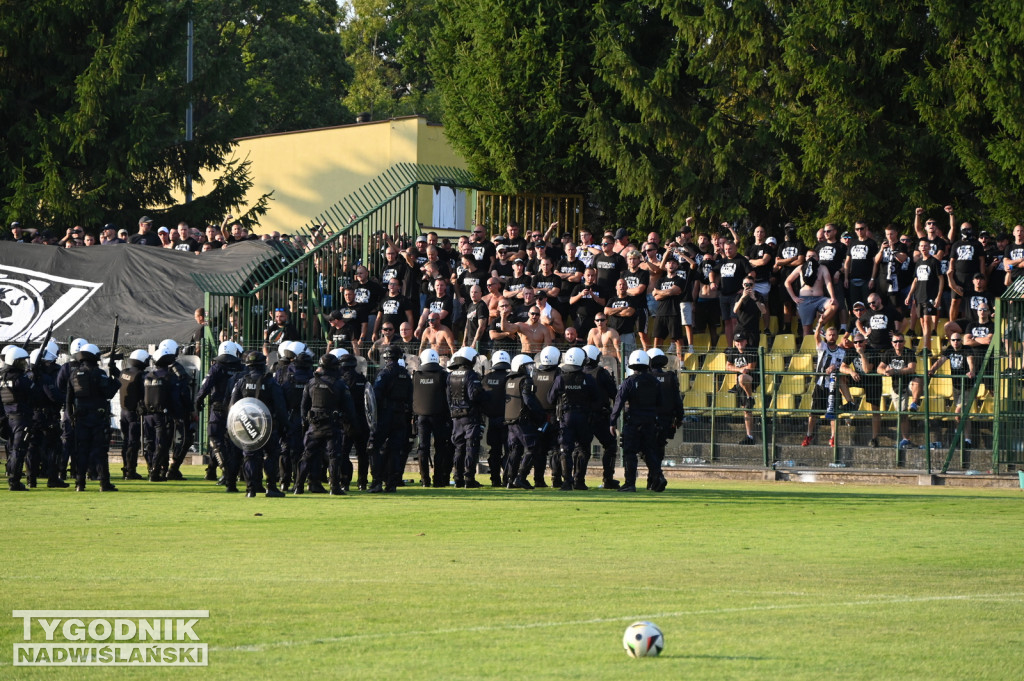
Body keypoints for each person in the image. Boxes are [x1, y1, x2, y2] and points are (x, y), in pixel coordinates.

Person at [229, 351, 287, 497]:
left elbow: (233, 407)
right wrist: (284, 425)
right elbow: (280, 406)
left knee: (250, 456)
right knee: (272, 455)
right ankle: (271, 487)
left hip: (247, 425)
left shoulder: (241, 382)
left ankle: (251, 489)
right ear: (263, 365)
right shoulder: (270, 382)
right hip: (267, 426)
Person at [298, 353, 355, 496]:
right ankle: (334, 487)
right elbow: (349, 408)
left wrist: (306, 421)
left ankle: (298, 486)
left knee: (307, 455)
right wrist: (351, 423)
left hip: (314, 425)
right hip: (332, 425)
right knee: (334, 456)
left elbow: (304, 406)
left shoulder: (311, 382)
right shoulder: (340, 384)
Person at [68, 343, 122, 491]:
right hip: (97, 419)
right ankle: (104, 483)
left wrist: (71, 416)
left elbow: (69, 398)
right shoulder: (99, 373)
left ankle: (80, 483)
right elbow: (108, 393)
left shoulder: (74, 374)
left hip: (80, 418)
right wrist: (116, 378)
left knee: (82, 451)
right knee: (100, 451)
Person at [195, 341, 245, 492]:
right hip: (236, 410)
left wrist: (198, 401)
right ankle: (236, 472)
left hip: (218, 409)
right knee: (233, 442)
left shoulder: (217, 367)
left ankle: (226, 472)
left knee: (215, 439)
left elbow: (206, 386)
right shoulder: (242, 368)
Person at [546, 347, 596, 490]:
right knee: (583, 449)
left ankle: (567, 481)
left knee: (565, 449)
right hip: (583, 417)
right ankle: (579, 481)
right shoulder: (588, 379)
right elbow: (597, 398)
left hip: (565, 417)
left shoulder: (560, 378)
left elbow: (550, 399)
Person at [610, 350, 660, 492]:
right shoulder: (654, 382)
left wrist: (612, 422)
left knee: (630, 452)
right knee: (649, 451)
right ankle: (658, 477)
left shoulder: (629, 382)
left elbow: (618, 403)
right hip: (650, 422)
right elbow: (660, 402)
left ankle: (630, 483)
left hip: (633, 423)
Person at [369, 346, 414, 493]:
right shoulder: (405, 374)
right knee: (395, 449)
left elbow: (375, 395)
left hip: (385, 414)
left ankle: (377, 482)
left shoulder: (385, 373)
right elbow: (410, 396)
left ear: (386, 357)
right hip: (400, 415)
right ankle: (391, 483)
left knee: (374, 446)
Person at [26, 342, 66, 488]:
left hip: (30, 416)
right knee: (53, 448)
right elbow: (54, 396)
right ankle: (52, 478)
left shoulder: (26, 376)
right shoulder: (44, 378)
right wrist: (64, 398)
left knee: (32, 448)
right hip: (47, 415)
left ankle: (31, 479)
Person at [503, 354, 546, 489]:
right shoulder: (525, 380)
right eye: (527, 366)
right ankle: (521, 477)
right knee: (532, 447)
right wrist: (540, 414)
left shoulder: (509, 380)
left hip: (511, 421)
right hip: (523, 421)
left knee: (515, 450)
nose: (530, 369)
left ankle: (510, 479)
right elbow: (528, 400)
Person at [412, 348, 453, 487]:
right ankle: (438, 479)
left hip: (422, 416)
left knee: (423, 447)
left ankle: (425, 480)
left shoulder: (416, 375)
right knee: (440, 447)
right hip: (440, 416)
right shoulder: (443, 375)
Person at [447, 346, 487, 488]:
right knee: (471, 446)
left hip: (456, 416)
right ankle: (469, 478)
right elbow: (474, 395)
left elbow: (448, 397)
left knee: (459, 447)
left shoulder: (451, 375)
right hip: (470, 416)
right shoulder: (471, 375)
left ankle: (457, 477)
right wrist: (485, 394)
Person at [802, 326, 847, 448]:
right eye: (829, 334)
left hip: (833, 385)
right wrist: (820, 324)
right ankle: (809, 434)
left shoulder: (842, 352)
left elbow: (843, 366)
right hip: (820, 384)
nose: (832, 337)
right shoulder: (822, 347)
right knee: (813, 413)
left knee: (833, 413)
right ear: (825, 336)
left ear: (837, 336)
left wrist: (835, 367)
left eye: (834, 334)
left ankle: (833, 437)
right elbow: (816, 337)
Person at [927, 334, 974, 448]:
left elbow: (970, 361)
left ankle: (959, 437)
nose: (956, 342)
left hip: (967, 386)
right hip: (956, 386)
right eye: (953, 340)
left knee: (958, 412)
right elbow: (941, 361)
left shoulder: (967, 349)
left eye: (958, 340)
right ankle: (966, 440)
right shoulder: (949, 349)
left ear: (961, 341)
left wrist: (971, 371)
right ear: (950, 341)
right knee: (963, 415)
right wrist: (932, 370)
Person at [279, 343, 315, 492]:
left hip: (289, 415)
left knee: (286, 450)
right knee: (305, 451)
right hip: (308, 417)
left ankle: (284, 481)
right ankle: (301, 481)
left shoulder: (284, 374)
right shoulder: (312, 378)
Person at [647, 348, 684, 492]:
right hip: (666, 420)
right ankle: (654, 479)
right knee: (659, 448)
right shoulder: (670, 376)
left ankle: (656, 477)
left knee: (648, 450)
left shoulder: (645, 376)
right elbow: (677, 400)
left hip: (648, 419)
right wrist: (680, 417)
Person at [877, 334, 922, 450]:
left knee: (917, 380)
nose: (898, 344)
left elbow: (912, 368)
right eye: (895, 341)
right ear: (892, 343)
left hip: (909, 383)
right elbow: (879, 368)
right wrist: (886, 372)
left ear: (904, 342)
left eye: (900, 341)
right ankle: (906, 439)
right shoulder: (888, 353)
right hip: (897, 386)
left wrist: (895, 371)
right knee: (902, 415)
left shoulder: (909, 352)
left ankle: (915, 403)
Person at [335, 350, 371, 490]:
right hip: (362, 422)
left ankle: (345, 481)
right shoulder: (363, 380)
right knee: (363, 453)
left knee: (343, 453)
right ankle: (362, 481)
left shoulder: (340, 382)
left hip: (346, 422)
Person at [840, 332, 883, 446]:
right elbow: (842, 367)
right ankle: (850, 402)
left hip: (873, 381)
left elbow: (867, 370)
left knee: (875, 410)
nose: (858, 344)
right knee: (840, 379)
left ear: (865, 342)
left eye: (860, 342)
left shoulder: (873, 351)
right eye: (855, 342)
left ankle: (874, 438)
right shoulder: (851, 351)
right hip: (859, 378)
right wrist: (851, 371)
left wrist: (862, 354)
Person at [1, 347, 34, 491]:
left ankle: (11, 474)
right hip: (20, 417)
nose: (24, 364)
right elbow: (33, 393)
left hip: (6, 417)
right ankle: (14, 482)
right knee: (18, 450)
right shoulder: (21, 379)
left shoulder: (2, 377)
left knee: (12, 448)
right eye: (21, 361)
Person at [530, 346, 562, 488]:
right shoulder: (558, 373)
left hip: (537, 417)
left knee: (540, 450)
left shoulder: (534, 373)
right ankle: (556, 478)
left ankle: (538, 479)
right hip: (553, 415)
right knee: (555, 449)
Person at [786, 250, 838, 337]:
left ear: (817, 258)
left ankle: (819, 325)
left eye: (813, 256)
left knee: (834, 305)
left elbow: (828, 282)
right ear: (806, 258)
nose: (811, 258)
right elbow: (787, 282)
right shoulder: (800, 267)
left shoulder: (822, 268)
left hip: (819, 299)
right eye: (809, 256)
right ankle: (808, 349)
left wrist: (832, 297)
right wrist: (794, 297)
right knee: (806, 330)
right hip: (804, 299)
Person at [906, 238, 944, 352]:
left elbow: (941, 279)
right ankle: (925, 344)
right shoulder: (918, 262)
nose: (923, 248)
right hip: (918, 296)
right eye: (921, 246)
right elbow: (915, 280)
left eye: (926, 246)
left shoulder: (934, 261)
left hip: (930, 296)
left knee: (927, 322)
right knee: (922, 322)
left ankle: (927, 348)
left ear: (929, 247)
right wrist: (909, 295)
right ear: (919, 248)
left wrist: (938, 296)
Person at [117, 349, 149, 480]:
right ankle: (130, 471)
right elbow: (144, 393)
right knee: (133, 442)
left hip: (123, 411)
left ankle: (126, 468)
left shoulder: (124, 373)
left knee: (126, 442)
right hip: (134, 414)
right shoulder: (140, 375)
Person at [481, 350, 511, 487]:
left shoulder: (486, 378)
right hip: (508, 420)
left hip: (492, 420)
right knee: (509, 451)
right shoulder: (510, 378)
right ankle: (508, 478)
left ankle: (494, 479)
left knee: (494, 451)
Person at [725, 332, 758, 444]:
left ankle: (750, 397)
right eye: (737, 341)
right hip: (741, 383)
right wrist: (739, 369)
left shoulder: (751, 351)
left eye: (742, 341)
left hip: (753, 380)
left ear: (746, 341)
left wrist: (742, 371)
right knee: (746, 410)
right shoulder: (733, 352)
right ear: (734, 343)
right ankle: (750, 436)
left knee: (742, 378)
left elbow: (751, 367)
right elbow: (727, 366)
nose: (740, 343)